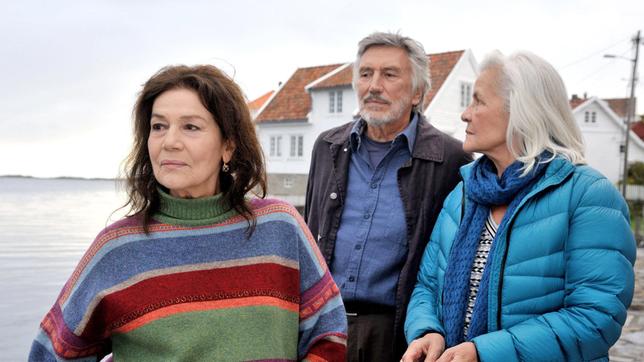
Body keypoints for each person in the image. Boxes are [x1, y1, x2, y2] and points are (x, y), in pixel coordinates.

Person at [29, 65, 347, 361]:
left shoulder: (280, 226)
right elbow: (52, 351)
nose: (170, 142)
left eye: (191, 127)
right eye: (158, 126)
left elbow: (328, 333)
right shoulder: (118, 248)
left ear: (228, 146)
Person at [402, 51, 636, 362]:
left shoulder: (588, 195)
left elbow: (595, 318)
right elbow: (427, 287)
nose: (465, 114)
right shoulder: (462, 195)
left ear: (523, 111)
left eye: (479, 101)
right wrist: (426, 330)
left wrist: (484, 353)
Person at [305, 32, 472, 361]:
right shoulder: (327, 147)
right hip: (322, 329)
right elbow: (309, 233)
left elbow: (453, 261)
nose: (373, 85)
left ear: (417, 93)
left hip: (398, 335)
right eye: (365, 74)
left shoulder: (452, 160)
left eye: (389, 74)